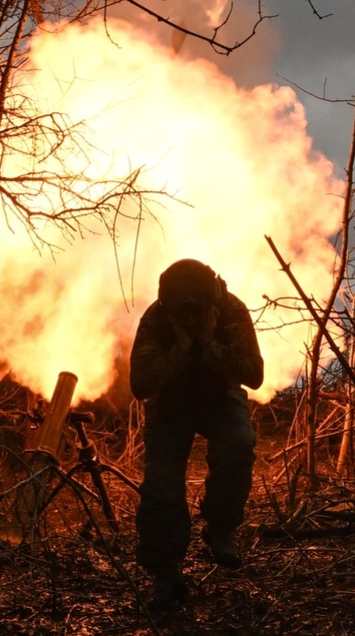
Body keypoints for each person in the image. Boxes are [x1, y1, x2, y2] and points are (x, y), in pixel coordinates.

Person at [129, 258, 264, 614]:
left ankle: (220, 526)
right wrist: (180, 351)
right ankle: (166, 572)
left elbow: (253, 374)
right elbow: (140, 384)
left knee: (238, 447)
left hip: (220, 396)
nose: (187, 316)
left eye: (195, 310)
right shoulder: (156, 318)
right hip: (170, 403)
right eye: (181, 311)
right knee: (161, 484)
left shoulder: (231, 310)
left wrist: (208, 346)